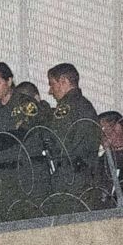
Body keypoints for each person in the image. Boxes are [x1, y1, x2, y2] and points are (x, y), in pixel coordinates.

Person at [0, 61, 50, 222]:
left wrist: (0, 137)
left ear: (9, 81)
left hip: (29, 175)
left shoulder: (26, 103)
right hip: (3, 178)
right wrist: (9, 136)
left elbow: (22, 134)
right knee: (5, 226)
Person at [43, 63, 104, 214]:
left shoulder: (66, 107)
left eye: (52, 84)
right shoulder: (84, 105)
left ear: (63, 81)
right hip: (86, 175)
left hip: (70, 178)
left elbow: (56, 139)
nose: (50, 91)